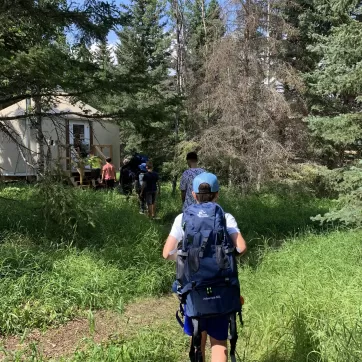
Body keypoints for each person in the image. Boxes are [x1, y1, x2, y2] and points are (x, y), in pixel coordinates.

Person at [163, 172, 247, 362]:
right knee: (219, 343)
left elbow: (167, 253)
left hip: (194, 290)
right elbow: (241, 248)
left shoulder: (182, 218)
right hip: (221, 288)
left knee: (196, 338)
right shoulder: (226, 217)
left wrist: (184, 257)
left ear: (193, 195)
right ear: (217, 194)